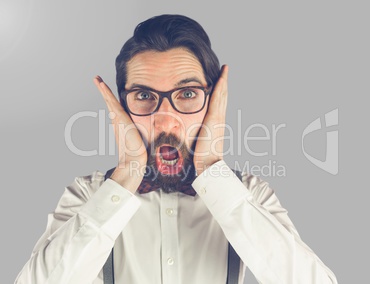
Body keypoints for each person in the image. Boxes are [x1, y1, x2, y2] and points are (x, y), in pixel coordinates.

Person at [15, 14, 338, 284]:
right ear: (121, 106)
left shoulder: (250, 193)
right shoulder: (88, 195)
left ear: (213, 103)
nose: (165, 121)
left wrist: (212, 168)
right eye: (143, 96)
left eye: (186, 94)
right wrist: (127, 173)